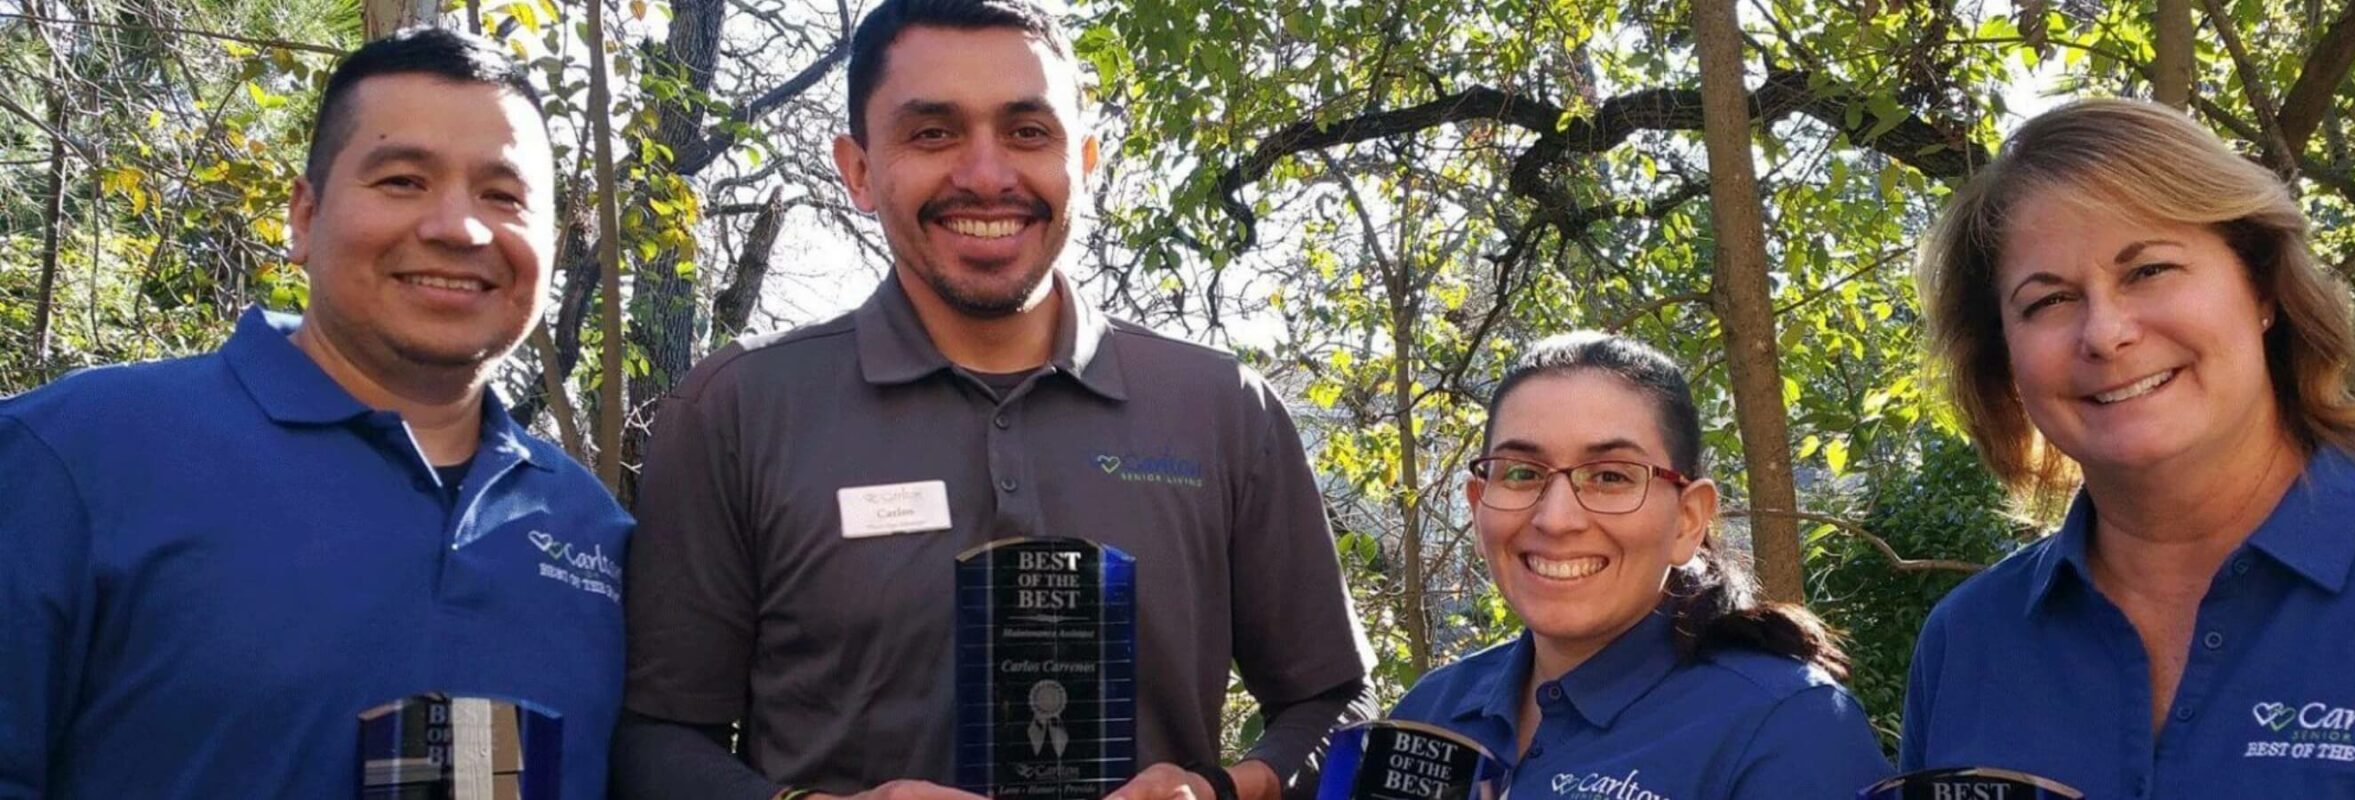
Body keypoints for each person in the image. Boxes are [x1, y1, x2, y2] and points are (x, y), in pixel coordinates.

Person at [610, 1, 1374, 799]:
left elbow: (1335, 700)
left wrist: (1221, 790)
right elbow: (656, 741)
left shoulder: (1220, 409)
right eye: (933, 132)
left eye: (1027, 132)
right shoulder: (737, 410)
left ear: (1084, 159)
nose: (986, 174)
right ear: (858, 169)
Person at [0, 27, 630, 797]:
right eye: (403, 180)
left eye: (503, 195)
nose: (459, 228)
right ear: (304, 216)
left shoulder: (588, 531)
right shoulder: (72, 457)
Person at [1900, 97, 2355, 797]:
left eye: (2148, 270)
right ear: (2004, 357)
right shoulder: (1967, 643)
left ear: (2263, 289)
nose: (2105, 333)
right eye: (2048, 301)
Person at [1387, 332, 1891, 798]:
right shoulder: (1431, 711)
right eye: (1521, 473)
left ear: (1688, 520)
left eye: (1609, 476)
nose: (1556, 519)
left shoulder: (1787, 729)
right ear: (1478, 505)